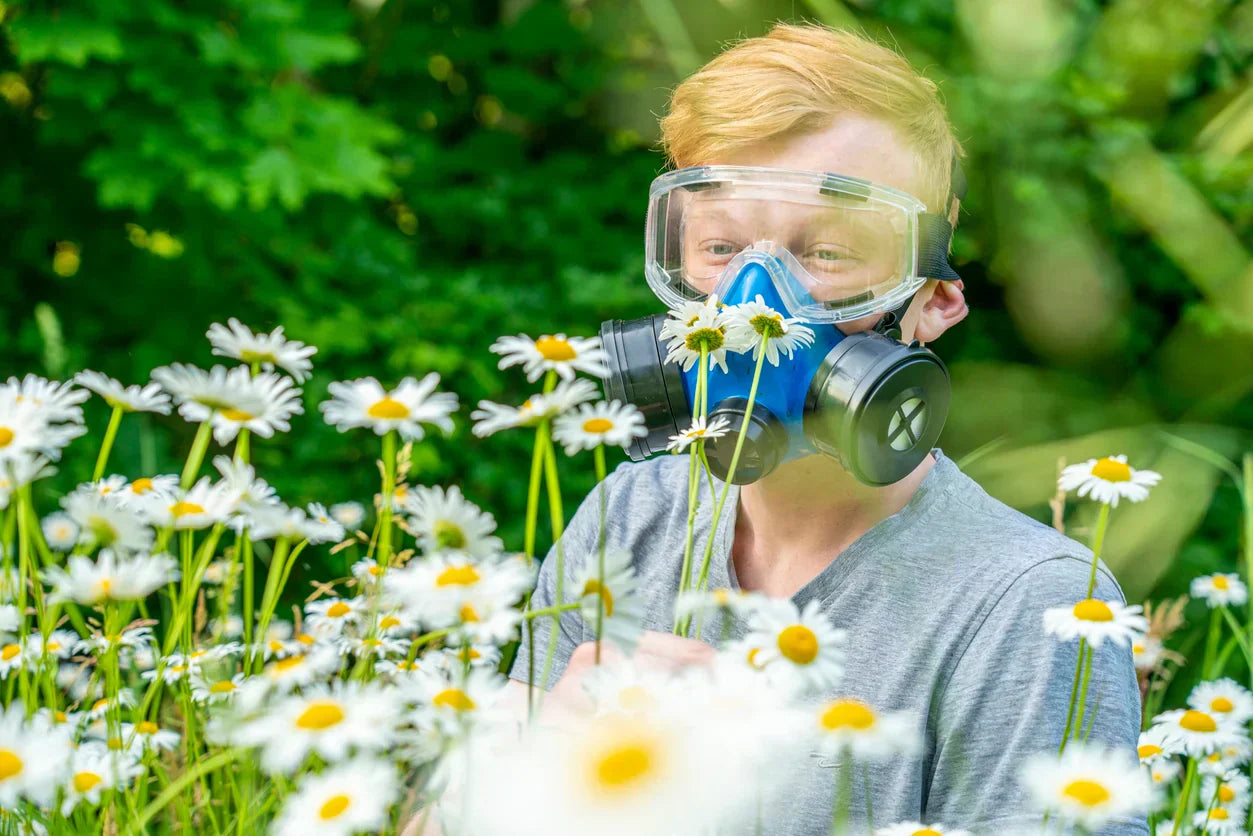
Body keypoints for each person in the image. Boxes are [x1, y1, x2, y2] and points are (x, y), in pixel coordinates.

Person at [504, 23, 1146, 835]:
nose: (755, 305)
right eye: (719, 246)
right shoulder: (630, 515)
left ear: (934, 298)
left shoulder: (1029, 605)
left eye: (832, 253)